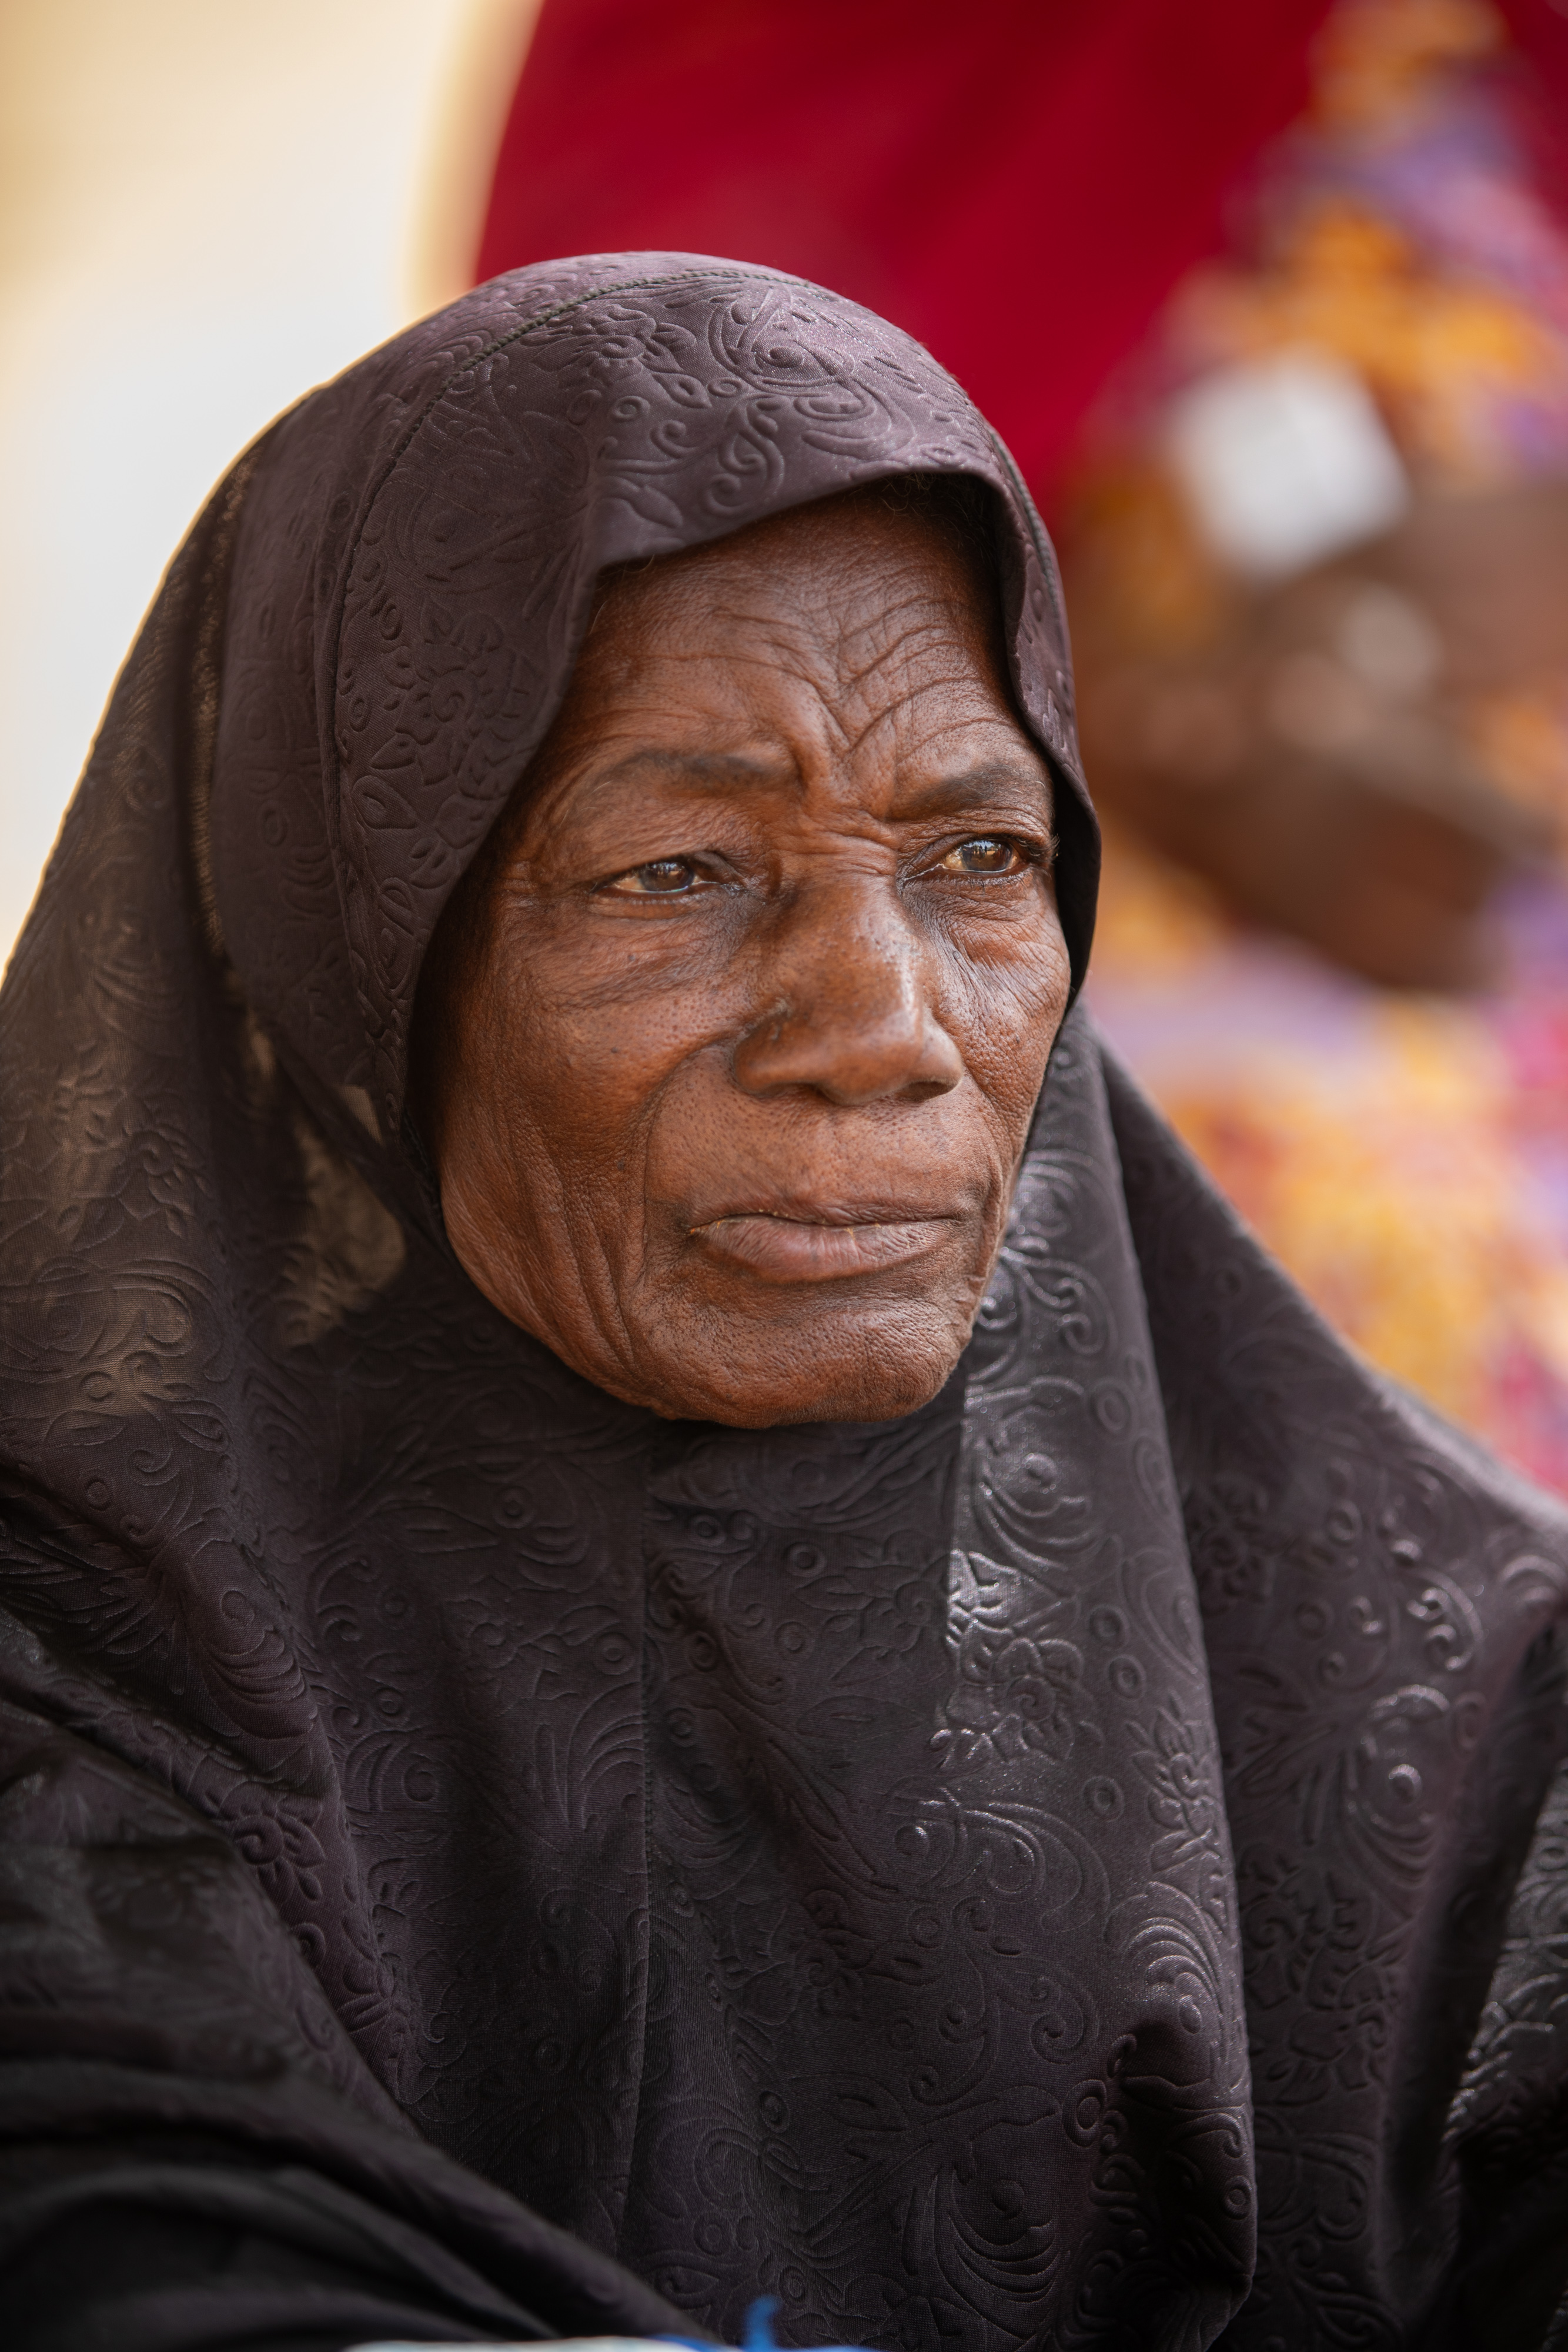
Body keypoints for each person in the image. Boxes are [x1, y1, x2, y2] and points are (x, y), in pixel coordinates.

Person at [1, 253, 1566, 2352]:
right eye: (676, 873)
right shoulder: (94, 1682)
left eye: (978, 858)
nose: (884, 1027)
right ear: (359, 938)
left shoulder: (1456, 1710)